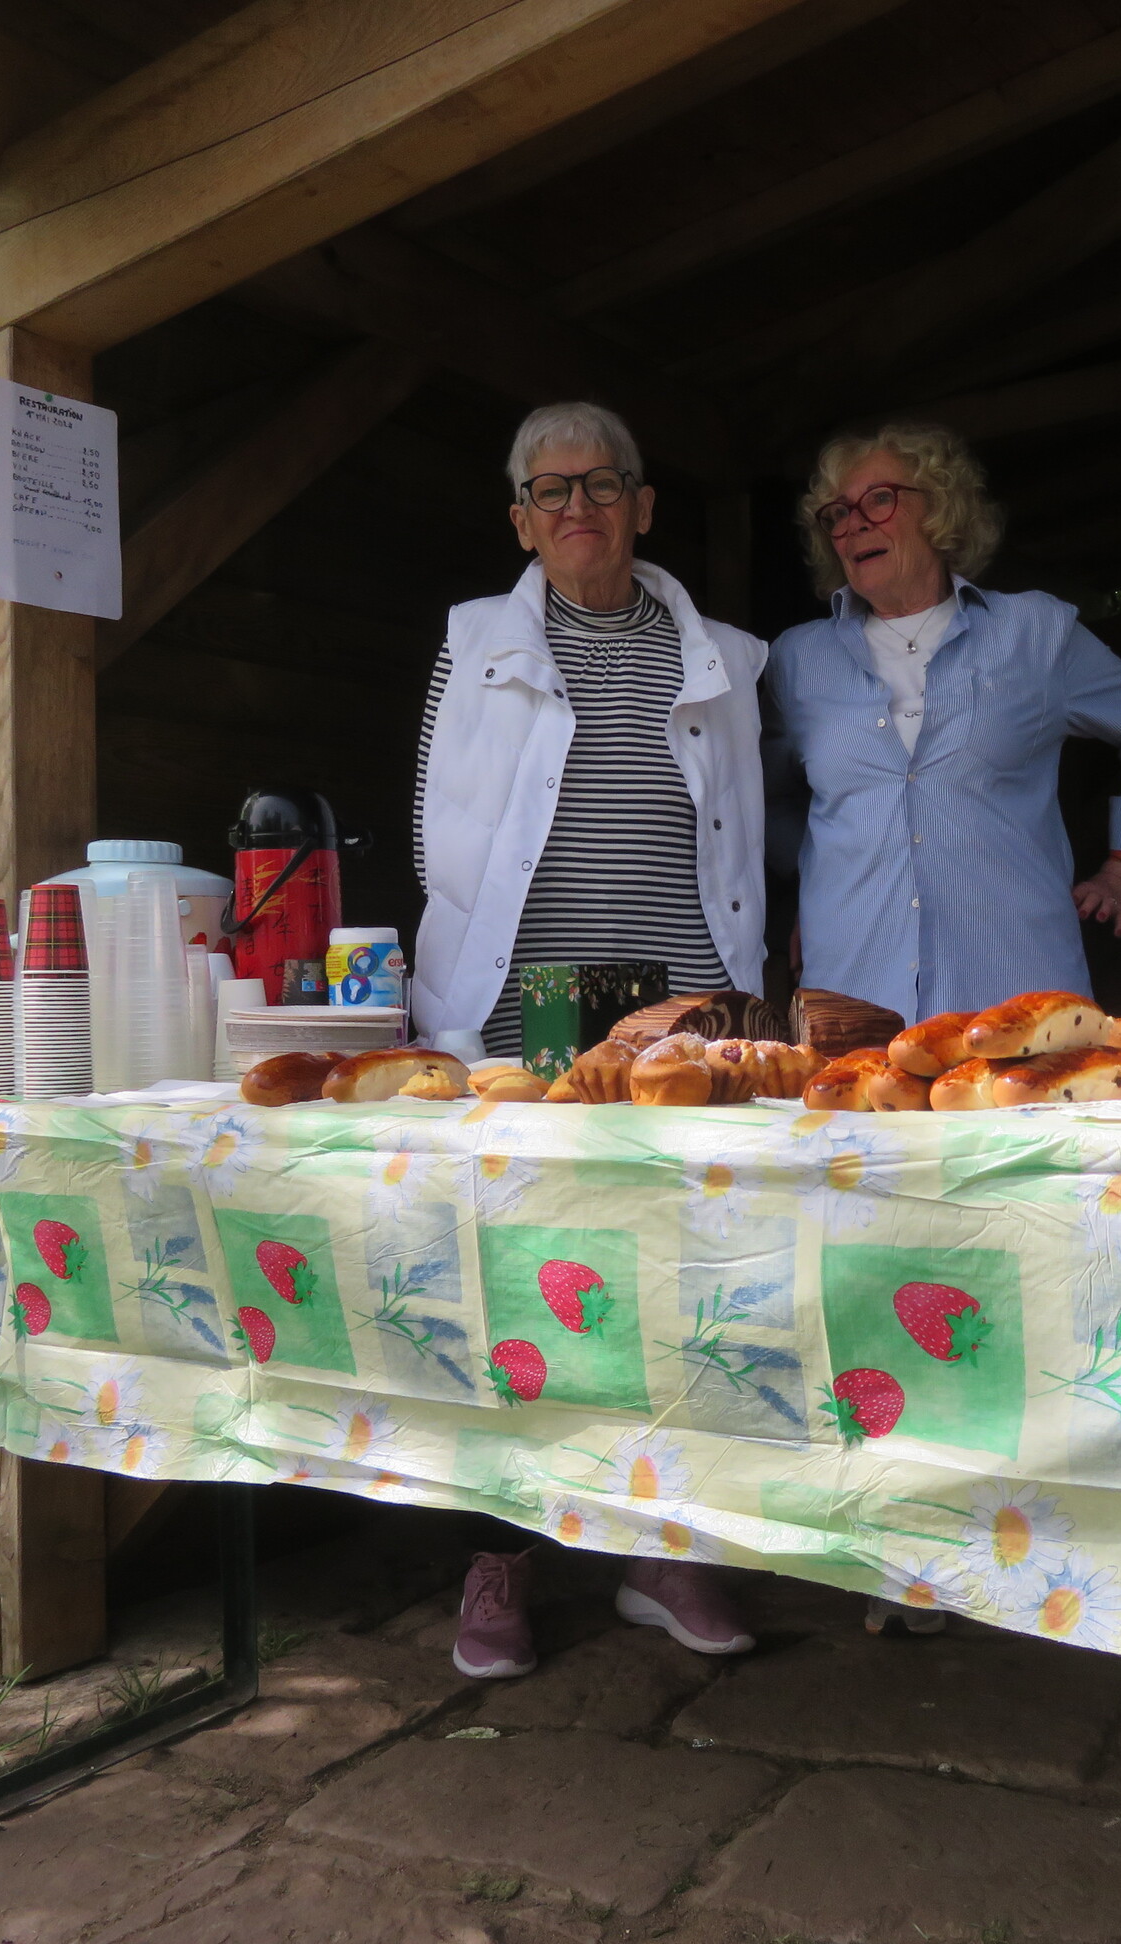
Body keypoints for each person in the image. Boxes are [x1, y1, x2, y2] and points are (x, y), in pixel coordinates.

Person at [411, 400, 763, 1679]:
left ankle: (661, 1548)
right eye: (549, 491)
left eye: (601, 485)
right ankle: (500, 1554)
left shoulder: (727, 656)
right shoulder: (475, 642)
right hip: (532, 1008)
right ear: (520, 518)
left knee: (679, 1272)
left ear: (642, 505)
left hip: (679, 1007)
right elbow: (439, 828)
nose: (577, 509)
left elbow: (739, 835)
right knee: (515, 1276)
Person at [765, 423, 1121, 1022]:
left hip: (1018, 993)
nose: (853, 524)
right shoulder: (796, 661)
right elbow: (765, 797)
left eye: (879, 500)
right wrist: (820, 889)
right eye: (836, 514)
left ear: (940, 509)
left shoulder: (1036, 634)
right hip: (852, 997)